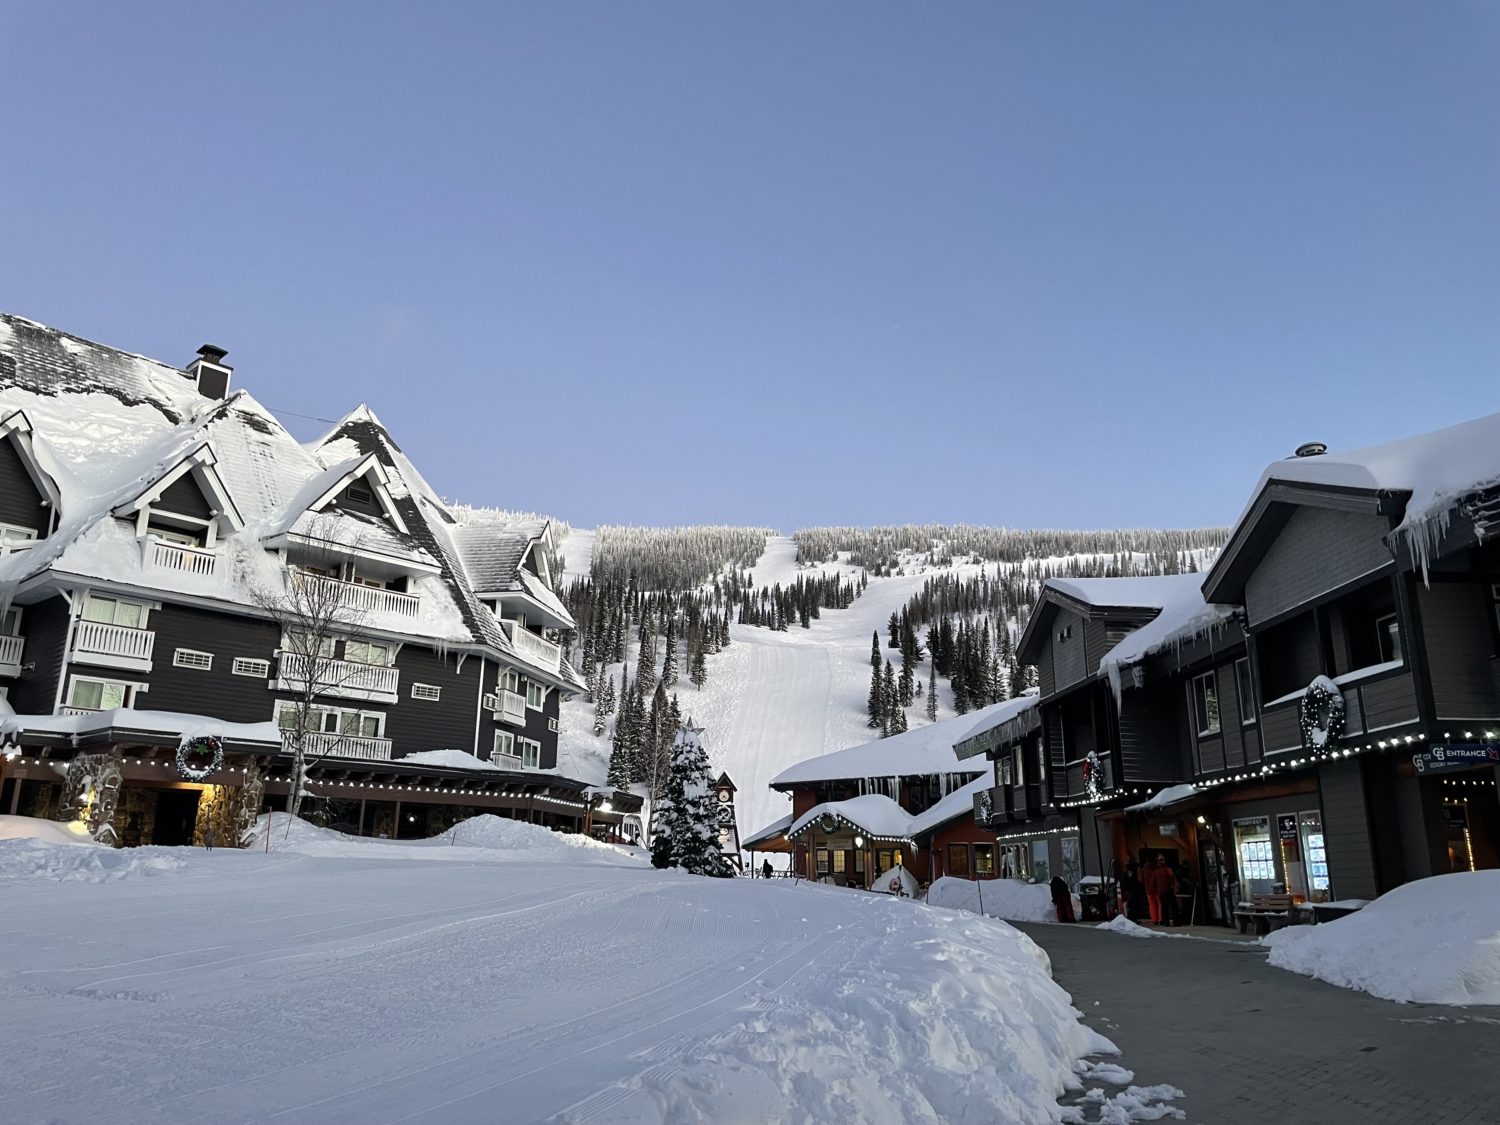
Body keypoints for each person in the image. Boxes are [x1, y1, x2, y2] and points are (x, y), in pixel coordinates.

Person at [1143, 854, 1178, 925]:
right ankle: (1175, 921)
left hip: (1158, 891)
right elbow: (1172, 877)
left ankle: (1163, 921)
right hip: (1168, 890)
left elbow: (1152, 882)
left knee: (1161, 906)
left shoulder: (1153, 871)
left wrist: (1156, 889)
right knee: (1173, 906)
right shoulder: (1168, 869)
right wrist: (1173, 887)